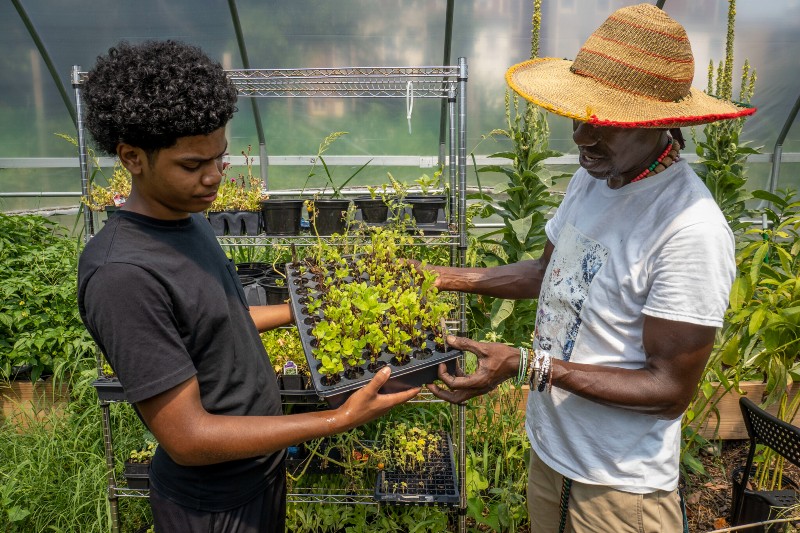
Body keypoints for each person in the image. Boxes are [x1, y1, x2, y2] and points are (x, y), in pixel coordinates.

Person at [423, 4, 756, 532]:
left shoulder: (689, 229)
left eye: (605, 124)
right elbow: (548, 272)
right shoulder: (599, 176)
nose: (581, 136)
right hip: (554, 458)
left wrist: (527, 366)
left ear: (661, 123)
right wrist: (438, 277)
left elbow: (669, 390)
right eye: (580, 117)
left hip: (620, 489)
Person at [76, 40, 419, 533]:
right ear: (132, 157)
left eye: (220, 159)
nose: (214, 177)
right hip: (211, 505)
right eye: (193, 165)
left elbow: (216, 323)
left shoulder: (186, 220)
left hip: (259, 472)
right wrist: (337, 421)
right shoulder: (122, 275)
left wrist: (304, 310)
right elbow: (188, 437)